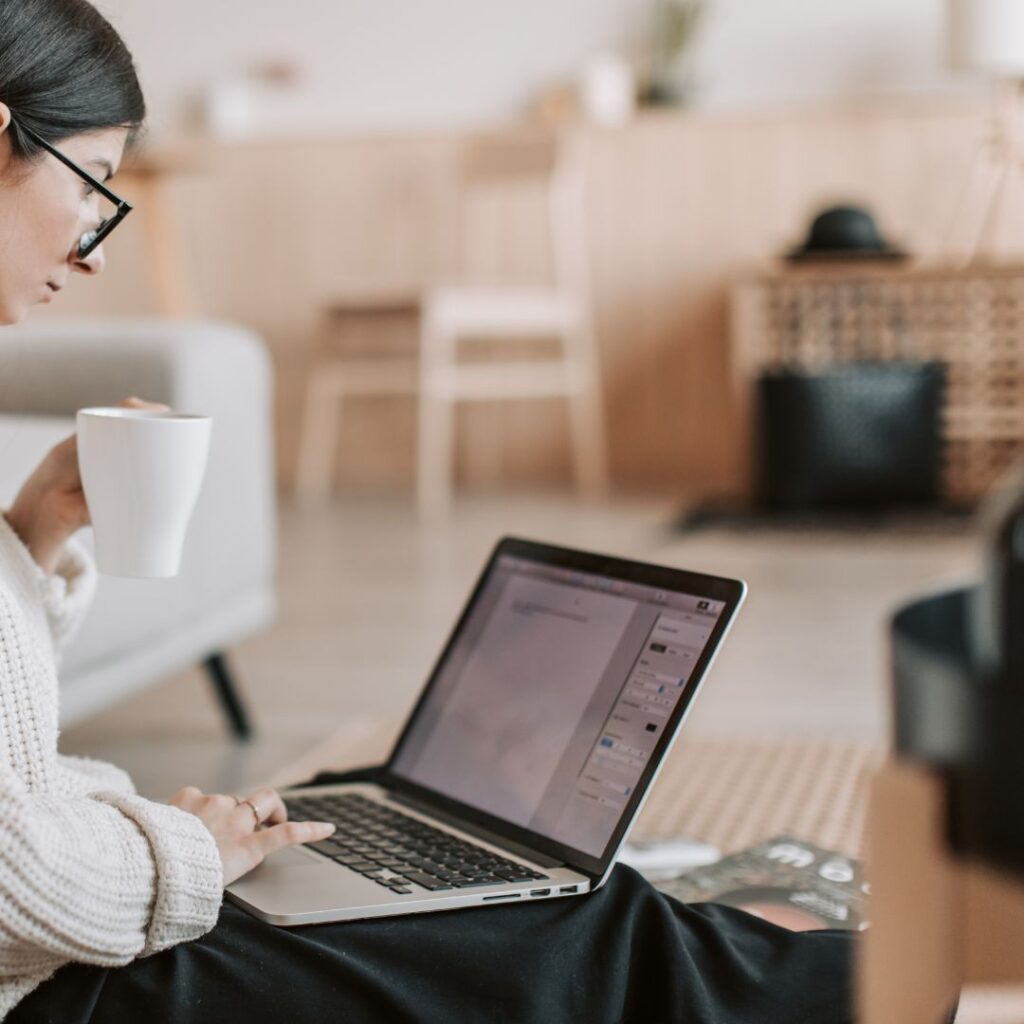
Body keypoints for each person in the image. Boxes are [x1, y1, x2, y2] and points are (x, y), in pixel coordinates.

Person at [0, 1, 857, 1020]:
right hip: (49, 983)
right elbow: (17, 881)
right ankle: (916, 985)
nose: (95, 250)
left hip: (63, 936)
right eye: (95, 188)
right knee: (583, 928)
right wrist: (186, 849)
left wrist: (28, 536)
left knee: (425, 846)